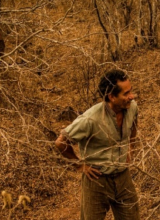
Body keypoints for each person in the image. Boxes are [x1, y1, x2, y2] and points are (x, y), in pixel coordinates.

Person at [55, 69, 140, 220]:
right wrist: (80, 165)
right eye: (126, 94)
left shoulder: (132, 107)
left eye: (131, 91)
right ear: (112, 97)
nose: (131, 97)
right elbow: (61, 142)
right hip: (97, 180)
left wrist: (131, 147)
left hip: (123, 176)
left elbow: (133, 126)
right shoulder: (90, 119)